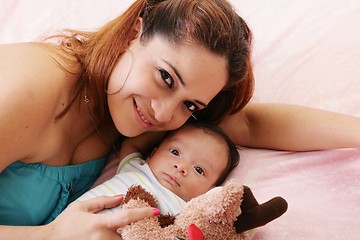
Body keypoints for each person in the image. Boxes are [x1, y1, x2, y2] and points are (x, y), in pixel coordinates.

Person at [1, 0, 359, 239]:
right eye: (166, 77)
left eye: (190, 105)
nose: (163, 114)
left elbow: (250, 125)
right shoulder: (26, 86)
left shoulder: (131, 108)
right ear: (132, 34)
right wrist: (48, 236)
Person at [75, 122, 240, 217]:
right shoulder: (135, 167)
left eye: (199, 169)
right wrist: (169, 127)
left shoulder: (186, 212)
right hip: (68, 226)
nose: (181, 166)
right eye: (175, 152)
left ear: (209, 191)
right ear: (153, 153)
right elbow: (131, 143)